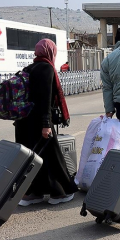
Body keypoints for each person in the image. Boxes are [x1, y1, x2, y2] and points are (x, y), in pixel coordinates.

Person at [16, 38, 78, 206]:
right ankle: (59, 193)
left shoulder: (29, 68)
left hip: (24, 123)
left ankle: (32, 194)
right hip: (39, 122)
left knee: (33, 158)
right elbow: (45, 100)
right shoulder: (46, 68)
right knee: (53, 158)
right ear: (51, 52)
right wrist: (46, 125)